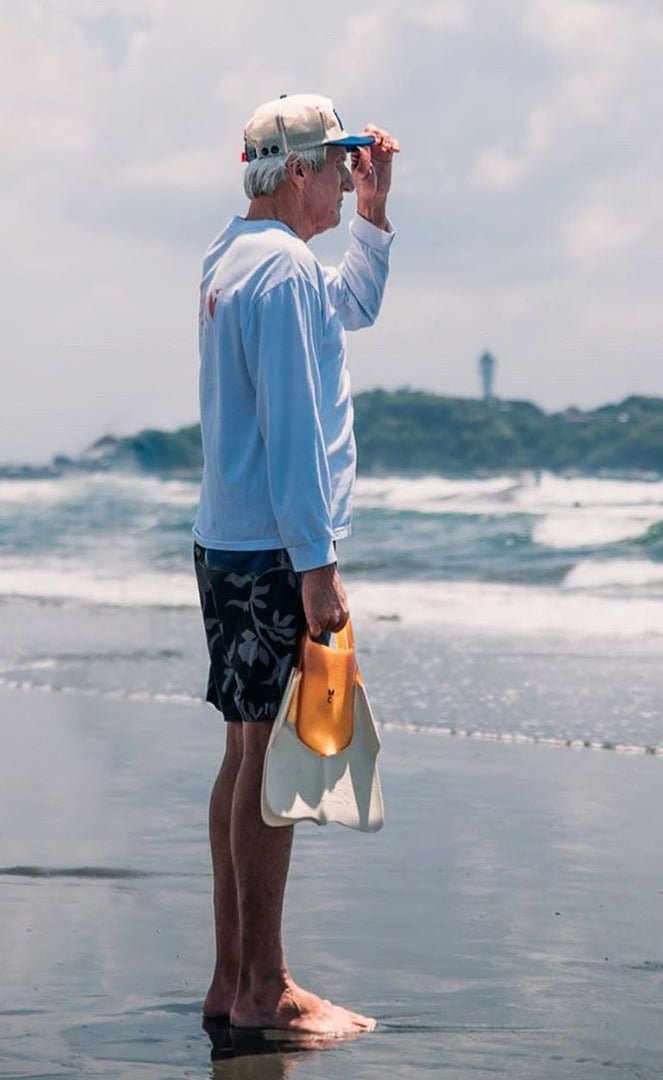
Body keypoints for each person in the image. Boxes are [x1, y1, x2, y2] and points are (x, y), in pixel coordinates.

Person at [193, 92, 398, 1035]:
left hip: (233, 539)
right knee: (268, 763)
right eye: (341, 166)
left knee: (247, 755)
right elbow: (294, 432)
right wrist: (316, 565)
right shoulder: (277, 273)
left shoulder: (239, 256)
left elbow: (348, 306)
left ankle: (233, 982)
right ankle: (264, 990)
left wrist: (377, 215)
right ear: (301, 171)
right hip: (273, 547)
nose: (346, 181)